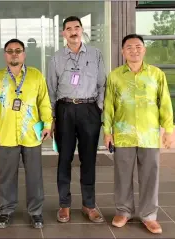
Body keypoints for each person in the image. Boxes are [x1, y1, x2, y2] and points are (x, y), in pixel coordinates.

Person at [103, 34, 174, 234]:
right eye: (129, 47)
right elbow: (108, 106)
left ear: (144, 49)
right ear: (122, 51)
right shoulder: (115, 76)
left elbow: (165, 103)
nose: (134, 50)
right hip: (123, 134)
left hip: (149, 134)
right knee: (123, 175)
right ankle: (123, 211)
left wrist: (168, 130)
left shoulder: (156, 74)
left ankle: (149, 215)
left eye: (138, 46)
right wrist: (107, 132)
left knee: (150, 175)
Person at [46, 16, 106, 223]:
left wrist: (97, 109)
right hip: (65, 110)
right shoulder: (55, 58)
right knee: (65, 159)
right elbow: (50, 90)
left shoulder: (95, 55)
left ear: (82, 30)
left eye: (76, 27)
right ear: (63, 33)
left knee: (88, 159)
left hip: (89, 110)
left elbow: (102, 85)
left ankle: (89, 205)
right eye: (69, 28)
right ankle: (64, 205)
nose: (73, 31)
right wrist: (53, 117)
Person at [0, 38, 52, 229]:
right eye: (10, 51)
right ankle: (6, 210)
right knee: (6, 176)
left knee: (34, 176)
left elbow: (44, 101)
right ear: (5, 55)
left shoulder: (35, 75)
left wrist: (48, 124)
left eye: (18, 50)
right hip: (6, 134)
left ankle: (36, 212)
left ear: (24, 54)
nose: (14, 54)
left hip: (31, 134)